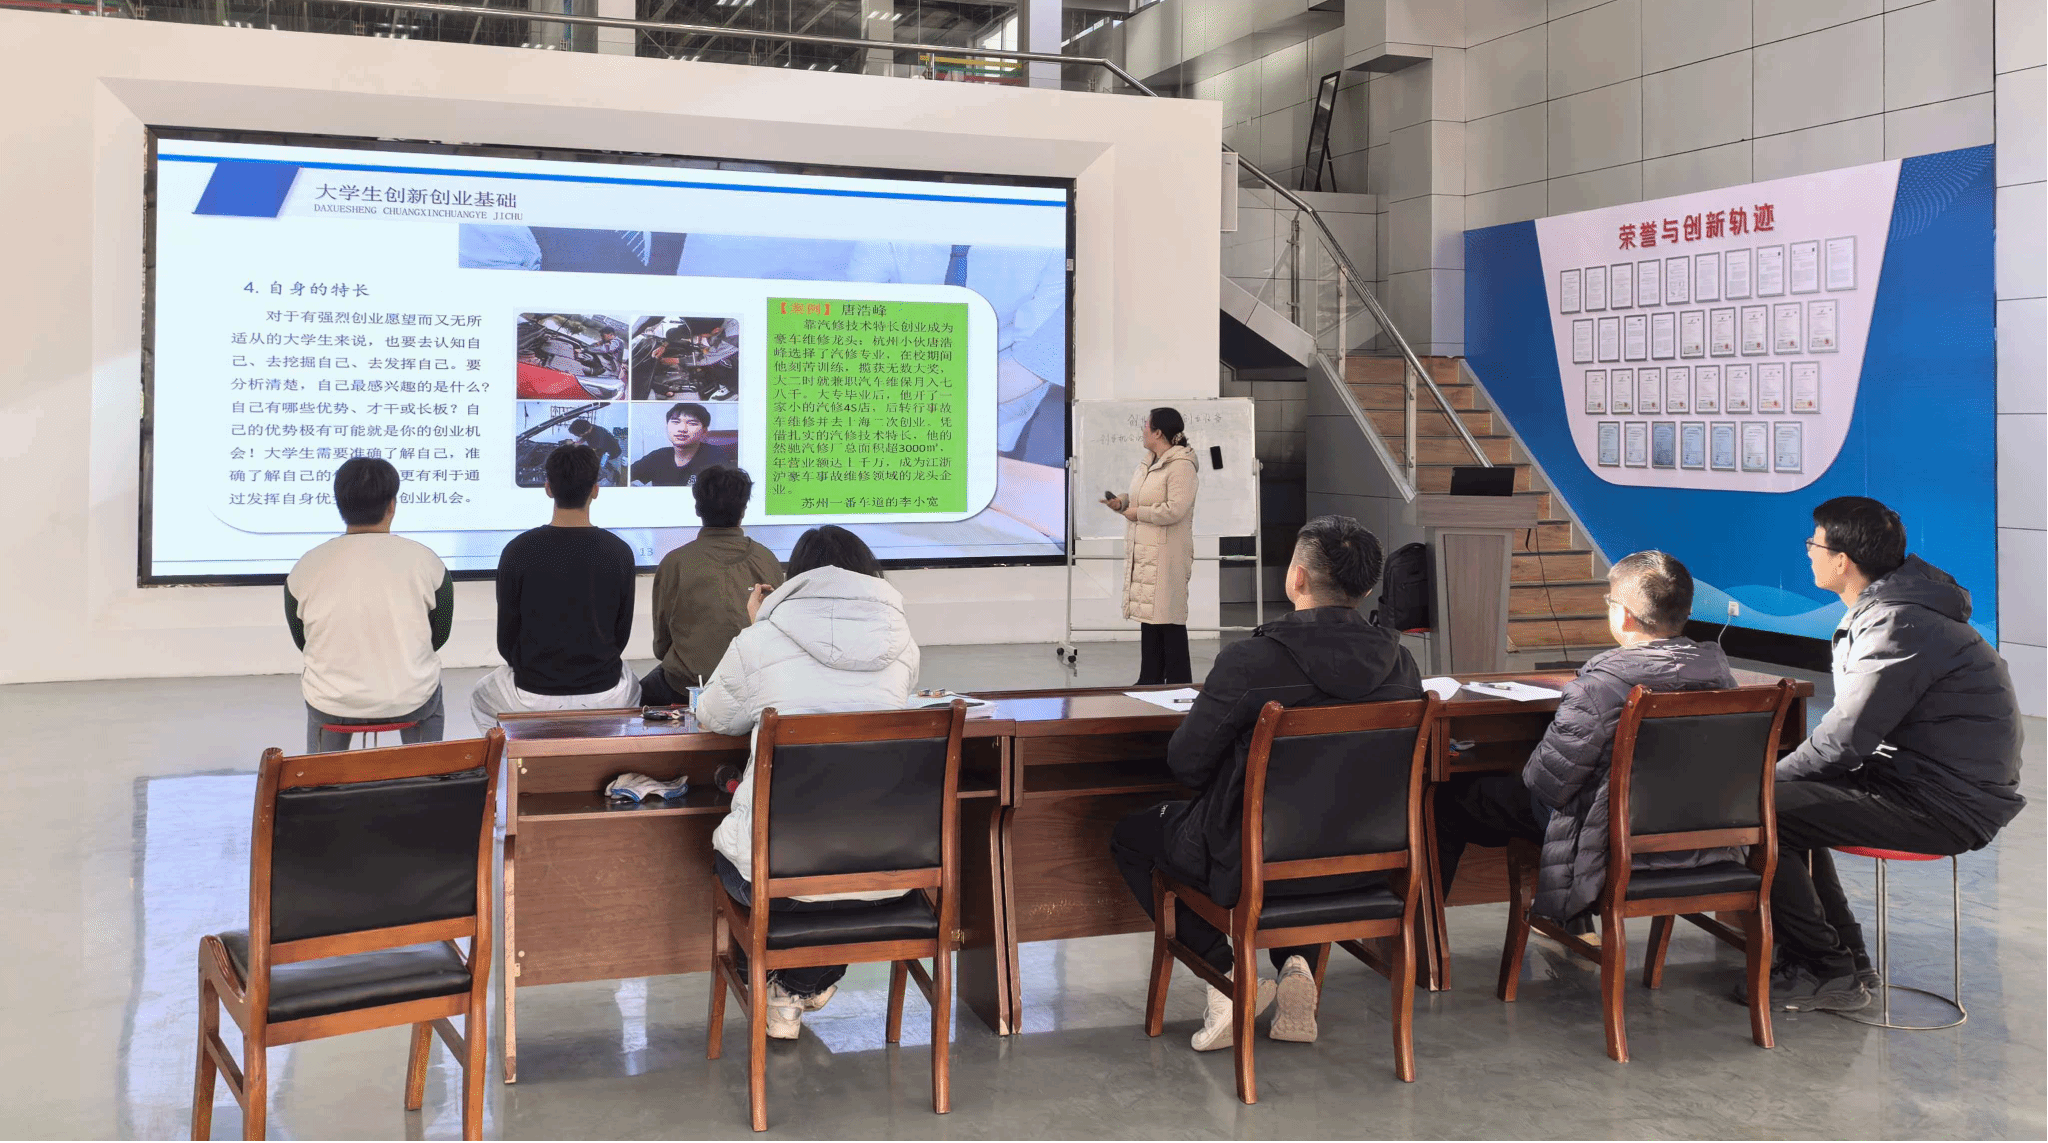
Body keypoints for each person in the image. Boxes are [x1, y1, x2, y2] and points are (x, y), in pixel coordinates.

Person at [1109, 516, 1422, 1051]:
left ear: (1297, 578)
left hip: (1251, 864)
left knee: (1132, 837)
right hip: (1361, 867)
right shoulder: (1402, 665)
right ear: (1366, 588)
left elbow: (1186, 765)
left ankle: (1226, 975)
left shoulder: (1251, 660)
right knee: (1318, 822)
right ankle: (1296, 964)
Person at [1761, 497, 2024, 1012]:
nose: (1808, 553)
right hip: (1913, 783)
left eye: (1813, 544)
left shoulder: (1899, 623)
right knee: (1787, 800)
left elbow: (1843, 742)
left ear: (1842, 561)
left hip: (1944, 805)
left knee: (1760, 807)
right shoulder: (1897, 612)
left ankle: (1824, 968)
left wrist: (1759, 779)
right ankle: (1847, 959)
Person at [697, 526, 921, 1040]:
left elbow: (714, 716)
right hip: (886, 867)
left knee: (757, 869)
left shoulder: (760, 640)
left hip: (778, 873)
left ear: (793, 580)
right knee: (841, 870)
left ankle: (784, 985)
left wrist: (758, 625)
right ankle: (798, 985)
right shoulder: (903, 645)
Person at [1433, 551, 1737, 927]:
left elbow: (1547, 785)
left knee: (1448, 798)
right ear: (1685, 612)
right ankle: (1574, 928)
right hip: (1697, 834)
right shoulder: (1722, 678)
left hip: (1609, 838)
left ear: (1624, 615)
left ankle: (1425, 939)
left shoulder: (1599, 686)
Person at [285, 457, 453, 753]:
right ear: (392, 505)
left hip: (332, 702)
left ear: (339, 504)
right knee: (428, 698)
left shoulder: (305, 566)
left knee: (324, 710)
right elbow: (439, 634)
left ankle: (321, 773)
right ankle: (426, 770)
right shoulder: (426, 561)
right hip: (410, 699)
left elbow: (304, 639)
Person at [469, 444, 639, 729]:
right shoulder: (619, 551)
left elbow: (506, 637)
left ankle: (514, 753)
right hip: (604, 692)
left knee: (479, 697)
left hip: (532, 691)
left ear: (548, 488)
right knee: (634, 688)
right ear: (595, 490)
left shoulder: (517, 550)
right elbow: (621, 633)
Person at [641, 465, 784, 706]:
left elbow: (661, 646)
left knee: (637, 695)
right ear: (744, 510)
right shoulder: (767, 559)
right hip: (754, 690)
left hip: (685, 689)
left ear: (697, 508)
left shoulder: (675, 563)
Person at [1102, 407, 1199, 685]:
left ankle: (1179, 685)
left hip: (1167, 555)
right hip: (1147, 552)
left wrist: (1138, 513)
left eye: (1146, 425)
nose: (1142, 430)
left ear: (1158, 433)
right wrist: (1122, 502)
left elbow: (1175, 509)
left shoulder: (1181, 466)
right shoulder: (1149, 462)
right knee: (1151, 619)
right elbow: (1140, 496)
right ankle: (1150, 679)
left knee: (1169, 620)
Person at [630, 402, 735, 487]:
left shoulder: (716, 457)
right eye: (675, 422)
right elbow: (629, 475)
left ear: (704, 431)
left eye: (692, 423)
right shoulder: (657, 456)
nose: (682, 429)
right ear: (667, 427)